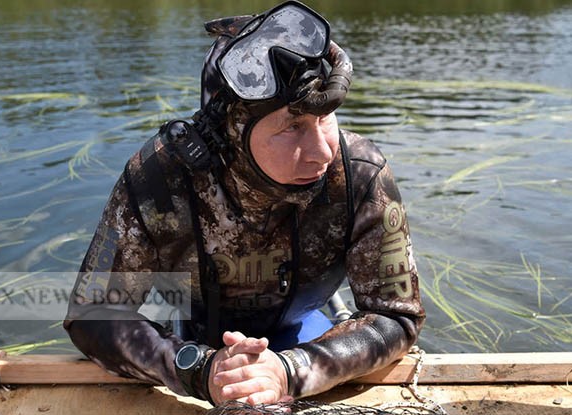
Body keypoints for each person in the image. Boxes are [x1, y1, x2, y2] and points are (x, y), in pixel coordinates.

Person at [63, 0, 425, 407]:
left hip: (303, 337)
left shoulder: (359, 173)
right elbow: (91, 313)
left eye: (325, 117)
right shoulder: (160, 181)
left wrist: (290, 370)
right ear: (232, 135)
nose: (322, 153)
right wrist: (199, 370)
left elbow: (396, 315)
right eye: (293, 126)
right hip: (194, 341)